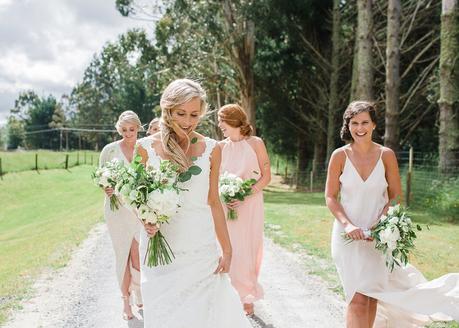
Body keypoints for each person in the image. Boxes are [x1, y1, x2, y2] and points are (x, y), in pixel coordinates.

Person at [325, 101, 459, 327]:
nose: (360, 128)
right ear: (348, 126)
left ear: (374, 124)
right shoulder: (339, 156)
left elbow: (396, 195)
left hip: (379, 236)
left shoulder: (386, 155)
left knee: (370, 297)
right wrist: (348, 225)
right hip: (348, 236)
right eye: (354, 123)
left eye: (365, 122)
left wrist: (382, 224)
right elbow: (330, 197)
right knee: (356, 298)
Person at [136, 79, 252, 328]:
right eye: (181, 114)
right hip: (161, 247)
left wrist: (227, 249)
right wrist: (145, 219)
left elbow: (213, 201)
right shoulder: (144, 148)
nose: (188, 122)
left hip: (200, 248)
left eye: (194, 115)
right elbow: (138, 197)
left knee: (202, 317)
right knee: (165, 317)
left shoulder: (212, 149)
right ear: (167, 110)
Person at [217, 104, 271, 315]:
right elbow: (214, 178)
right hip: (225, 205)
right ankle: (228, 294)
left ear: (234, 120)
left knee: (248, 247)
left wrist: (244, 195)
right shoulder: (220, 147)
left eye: (222, 120)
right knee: (227, 248)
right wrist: (225, 194)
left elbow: (266, 176)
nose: (220, 125)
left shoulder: (256, 143)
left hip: (250, 204)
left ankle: (247, 294)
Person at [99, 111, 144, 320]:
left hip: (138, 211)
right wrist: (106, 188)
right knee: (122, 256)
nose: (128, 134)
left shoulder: (144, 149)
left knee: (137, 255)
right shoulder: (109, 150)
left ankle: (138, 291)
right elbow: (101, 177)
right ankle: (125, 302)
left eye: (132, 130)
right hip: (116, 210)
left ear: (138, 128)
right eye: (124, 130)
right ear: (119, 129)